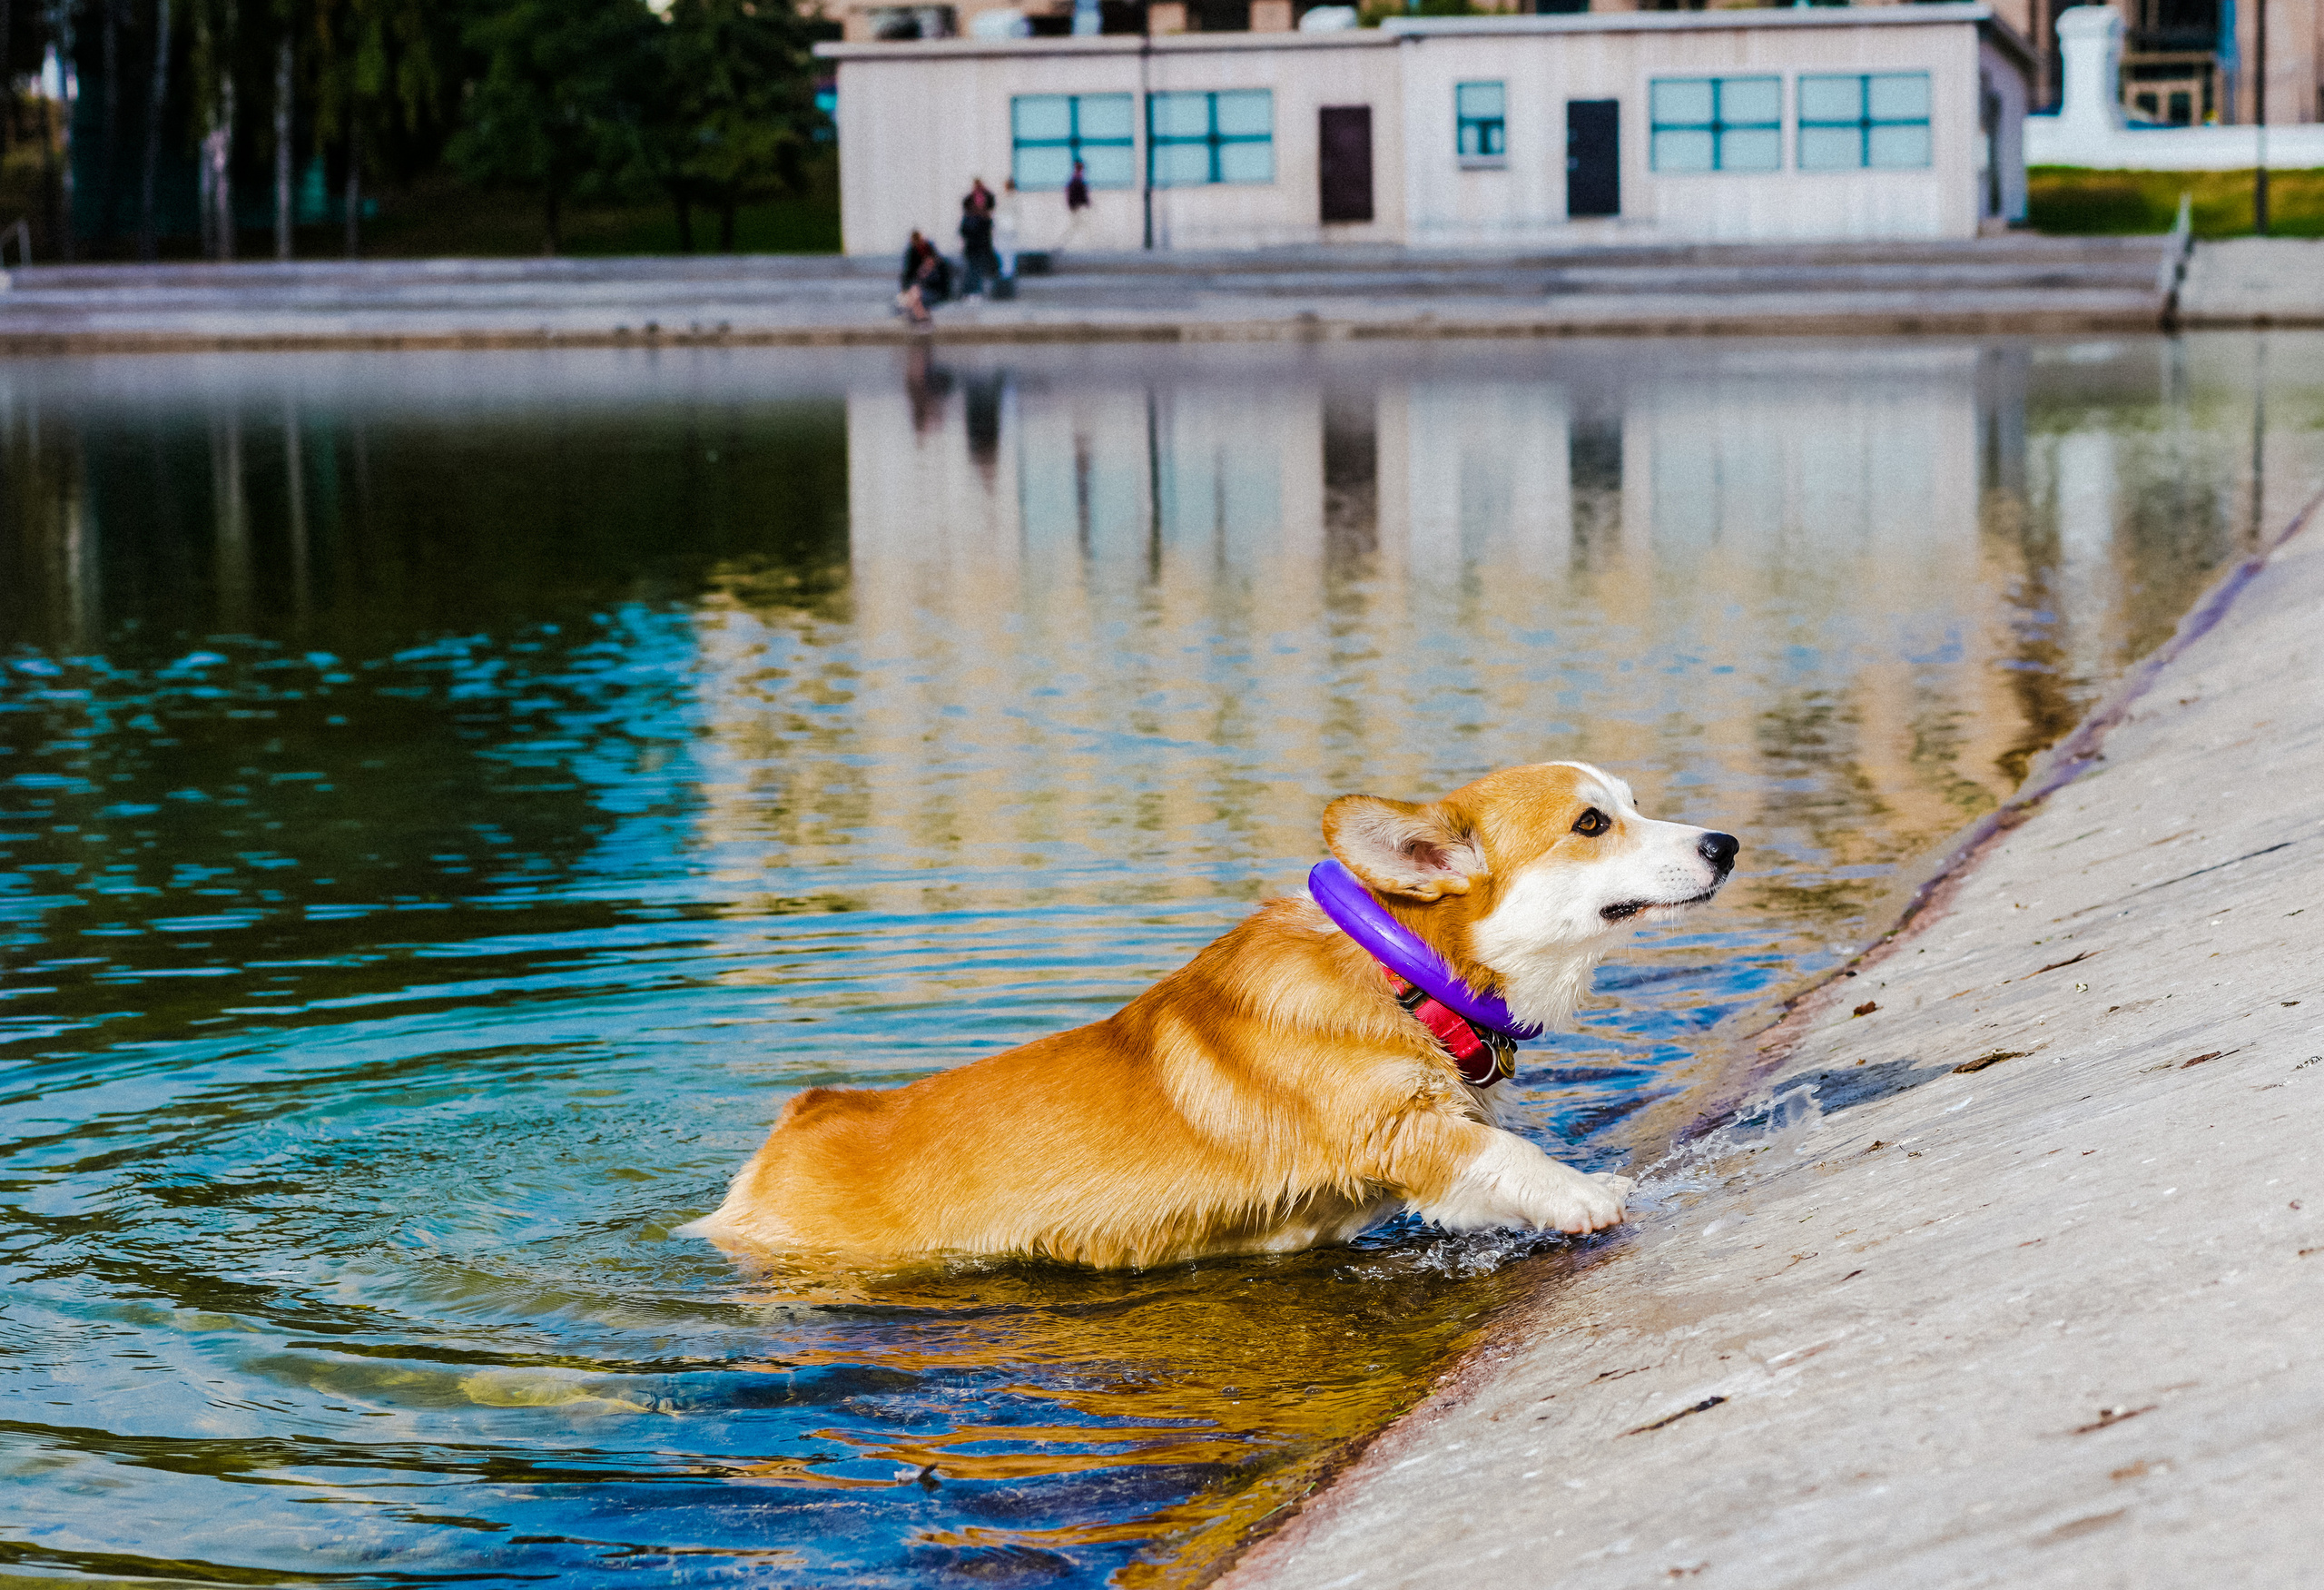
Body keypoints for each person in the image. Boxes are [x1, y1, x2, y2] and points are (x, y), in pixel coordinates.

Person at [896, 230, 950, 325]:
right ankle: (922, 319)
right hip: (919, 291)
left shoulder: (939, 268)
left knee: (915, 296)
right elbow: (907, 275)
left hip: (933, 292)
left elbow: (941, 285)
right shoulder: (913, 257)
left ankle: (922, 320)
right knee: (913, 295)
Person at [959, 179, 1000, 298]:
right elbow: (964, 231)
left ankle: (975, 292)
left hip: (980, 248)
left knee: (976, 271)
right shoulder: (970, 218)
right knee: (972, 271)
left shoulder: (984, 219)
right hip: (973, 248)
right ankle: (971, 292)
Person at [992, 178, 1022, 298]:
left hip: (1007, 227)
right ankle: (1006, 270)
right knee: (1004, 250)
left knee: (1007, 251)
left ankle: (1007, 271)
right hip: (1004, 228)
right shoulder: (1005, 197)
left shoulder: (1012, 198)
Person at [1063, 159, 1091, 251]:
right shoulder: (1076, 179)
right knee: (1078, 224)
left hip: (1076, 205)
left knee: (1079, 224)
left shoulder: (1076, 179)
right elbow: (1078, 193)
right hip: (1077, 205)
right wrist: (1086, 202)